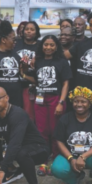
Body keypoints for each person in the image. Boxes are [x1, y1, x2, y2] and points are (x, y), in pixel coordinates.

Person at [22, 35, 71, 176]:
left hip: (56, 98)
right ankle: (43, 160)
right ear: (41, 46)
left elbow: (66, 83)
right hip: (40, 99)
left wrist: (61, 102)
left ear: (56, 47)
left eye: (51, 45)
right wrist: (23, 73)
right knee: (42, 130)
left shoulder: (62, 62)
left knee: (56, 131)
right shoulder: (38, 61)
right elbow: (36, 80)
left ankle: (56, 160)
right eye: (46, 44)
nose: (48, 47)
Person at [17, 21, 40, 112]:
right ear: (23, 31)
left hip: (34, 84)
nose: (29, 31)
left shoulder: (41, 45)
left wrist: (37, 57)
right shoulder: (16, 43)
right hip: (17, 84)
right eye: (26, 29)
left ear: (37, 32)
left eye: (32, 29)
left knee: (34, 112)